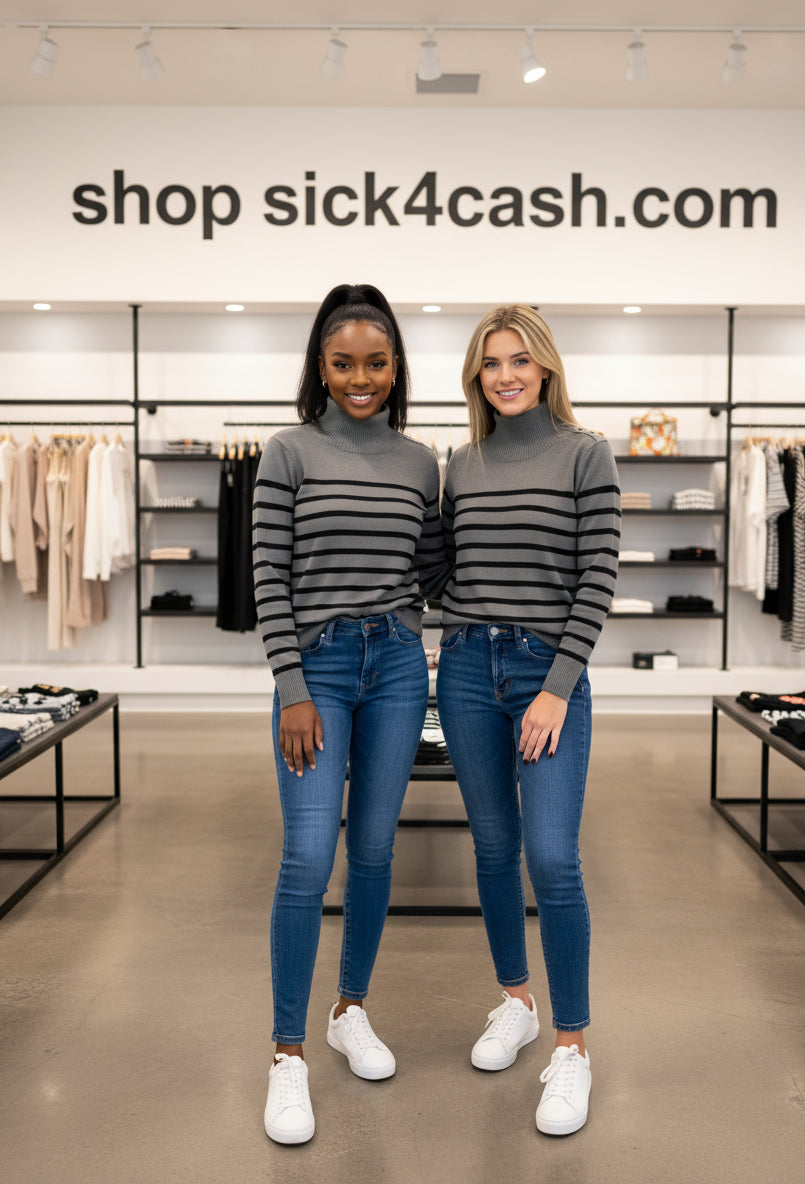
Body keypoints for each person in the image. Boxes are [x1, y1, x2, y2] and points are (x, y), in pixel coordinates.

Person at [253, 283, 449, 1144]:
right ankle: (287, 1056)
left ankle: (350, 1009)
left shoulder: (419, 462)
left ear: (396, 365)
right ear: (320, 368)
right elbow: (268, 579)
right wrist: (293, 685)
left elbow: (437, 570)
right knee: (306, 853)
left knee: (372, 851)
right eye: (343, 364)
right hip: (319, 669)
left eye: (375, 363)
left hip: (401, 664)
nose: (360, 378)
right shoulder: (286, 452)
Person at [436, 305, 620, 1135]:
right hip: (467, 667)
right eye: (490, 363)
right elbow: (439, 567)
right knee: (491, 844)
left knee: (551, 856)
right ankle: (516, 999)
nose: (505, 374)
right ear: (477, 375)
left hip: (548, 674)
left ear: (545, 367)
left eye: (519, 359)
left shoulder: (586, 454)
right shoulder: (462, 463)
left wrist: (557, 684)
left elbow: (598, 577)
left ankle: (573, 1048)